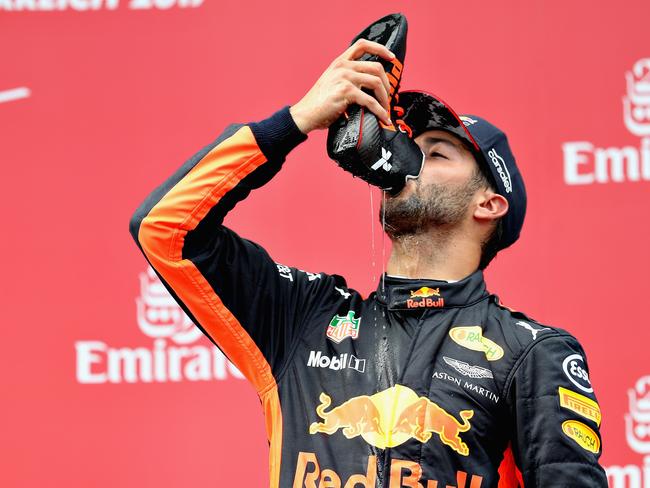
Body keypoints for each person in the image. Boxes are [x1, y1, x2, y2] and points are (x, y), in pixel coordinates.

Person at [129, 38, 607, 487]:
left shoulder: (530, 353)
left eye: (435, 153)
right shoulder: (305, 316)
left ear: (488, 204)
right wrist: (295, 122)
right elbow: (164, 226)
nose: (403, 159)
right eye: (405, 146)